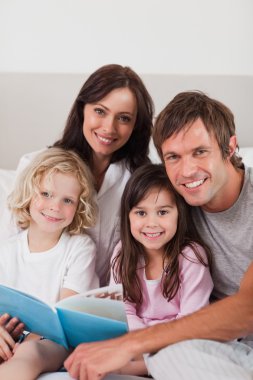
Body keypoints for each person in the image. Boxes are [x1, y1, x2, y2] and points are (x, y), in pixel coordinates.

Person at [64, 91, 253, 380]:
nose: (187, 171)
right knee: (171, 357)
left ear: (230, 147)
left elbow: (248, 308)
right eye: (173, 157)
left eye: (200, 151)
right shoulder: (175, 203)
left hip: (237, 340)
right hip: (220, 349)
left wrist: (127, 346)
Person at [1, 64, 154, 287]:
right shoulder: (35, 166)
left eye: (123, 118)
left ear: (135, 126)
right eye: (100, 111)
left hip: (99, 304)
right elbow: (8, 246)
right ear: (82, 109)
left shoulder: (139, 182)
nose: (109, 128)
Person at [0, 147, 99, 380]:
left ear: (79, 207)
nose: (55, 206)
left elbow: (64, 318)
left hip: (52, 340)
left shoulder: (79, 248)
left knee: (29, 351)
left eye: (67, 200)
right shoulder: (6, 250)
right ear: (29, 193)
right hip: (9, 332)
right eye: (46, 194)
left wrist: (27, 341)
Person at [110, 163, 213, 376]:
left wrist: (152, 345)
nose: (152, 223)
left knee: (193, 353)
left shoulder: (191, 256)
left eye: (163, 212)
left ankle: (140, 368)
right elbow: (123, 311)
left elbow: (191, 321)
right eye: (141, 213)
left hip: (181, 339)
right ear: (128, 216)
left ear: (179, 213)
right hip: (137, 340)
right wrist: (143, 342)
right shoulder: (123, 253)